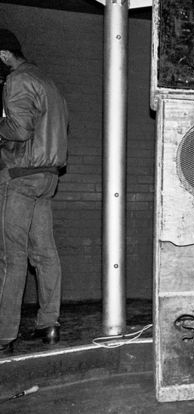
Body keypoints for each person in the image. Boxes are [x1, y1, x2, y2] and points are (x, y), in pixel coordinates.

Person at [0, 29, 68, 355]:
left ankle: (3, 334)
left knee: (10, 258)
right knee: (44, 253)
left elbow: (18, 128)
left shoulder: (17, 80)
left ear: (3, 55)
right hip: (47, 177)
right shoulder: (48, 82)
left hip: (21, 176)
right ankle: (49, 324)